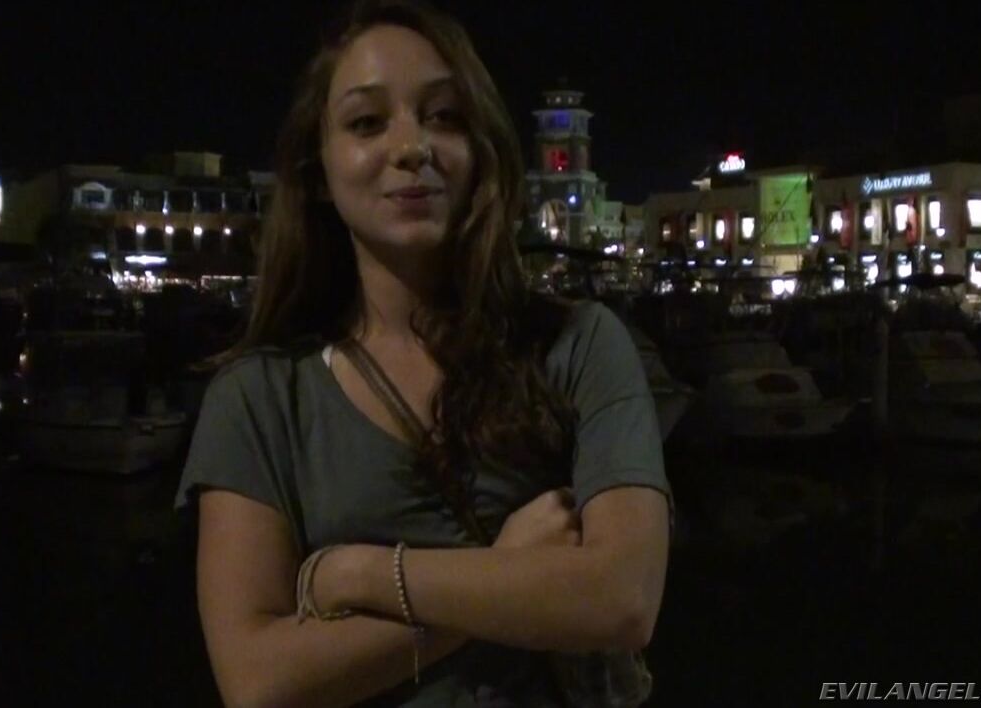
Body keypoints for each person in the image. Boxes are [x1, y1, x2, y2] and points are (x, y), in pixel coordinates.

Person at [175, 1, 672, 705]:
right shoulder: (260, 397)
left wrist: (365, 576)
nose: (412, 147)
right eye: (366, 122)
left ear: (483, 150)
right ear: (317, 168)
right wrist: (505, 569)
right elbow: (258, 680)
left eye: (443, 116)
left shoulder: (579, 344)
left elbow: (621, 598)